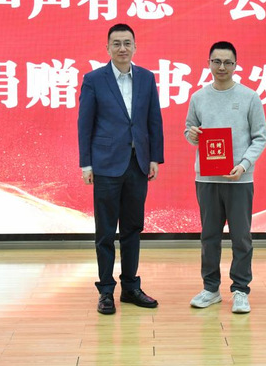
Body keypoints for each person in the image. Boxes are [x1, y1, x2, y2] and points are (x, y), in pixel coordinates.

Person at [78, 23, 165, 315]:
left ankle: (130, 287)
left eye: (127, 43)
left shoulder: (146, 78)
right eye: (116, 43)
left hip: (137, 164)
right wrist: (86, 163)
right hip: (105, 165)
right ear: (107, 48)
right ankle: (106, 291)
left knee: (132, 229)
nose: (122, 48)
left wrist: (154, 157)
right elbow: (85, 124)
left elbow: (153, 120)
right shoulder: (94, 79)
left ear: (135, 47)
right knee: (105, 232)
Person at [184, 41, 266, 314]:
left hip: (239, 180)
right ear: (209, 63)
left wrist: (244, 165)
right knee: (209, 236)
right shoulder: (198, 97)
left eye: (227, 62)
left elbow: (260, 137)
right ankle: (211, 289)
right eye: (216, 61)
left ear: (235, 65)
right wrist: (192, 134)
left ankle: (241, 290)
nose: (222, 67)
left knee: (241, 237)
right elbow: (189, 131)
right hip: (207, 180)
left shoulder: (249, 97)